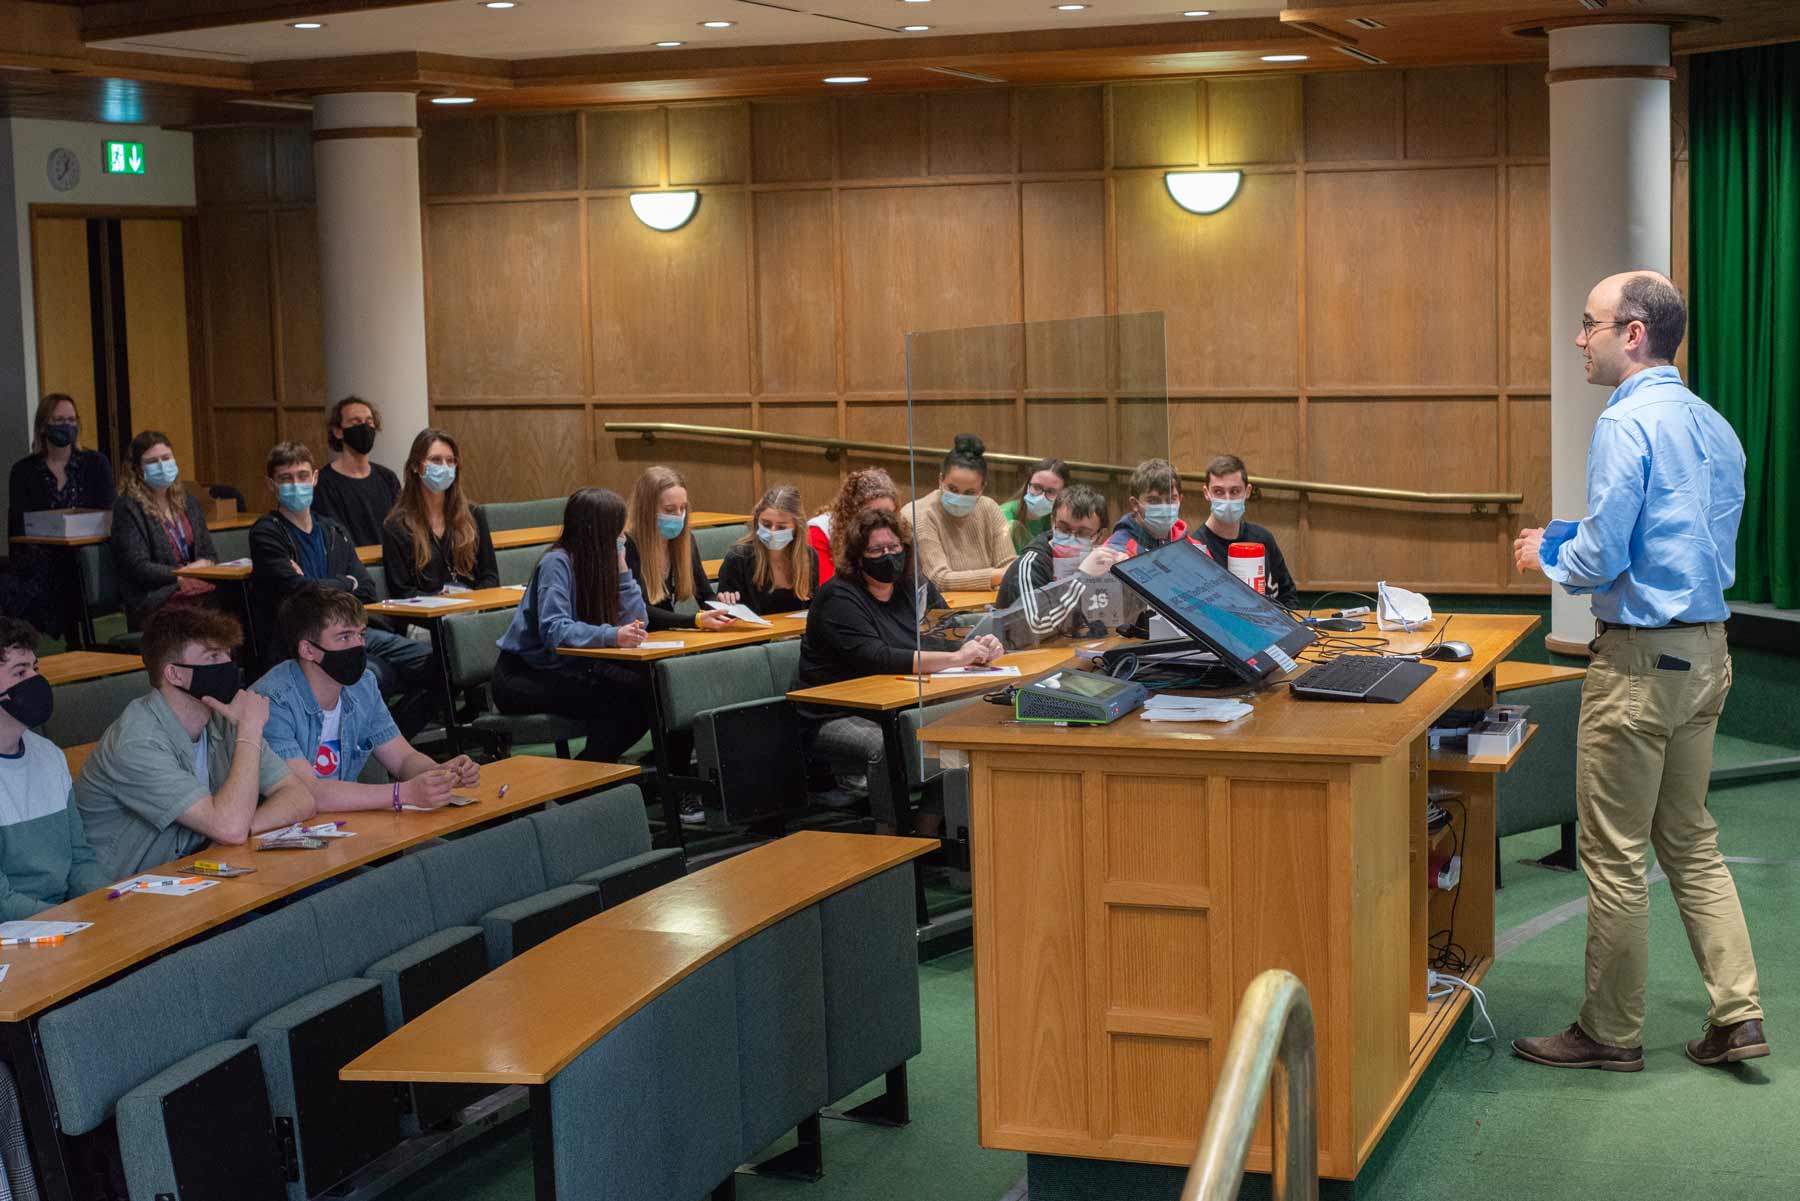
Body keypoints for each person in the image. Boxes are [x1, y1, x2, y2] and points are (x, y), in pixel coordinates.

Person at [1510, 270, 1765, 1073]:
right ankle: (1739, 1011)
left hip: (1640, 665)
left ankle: (1609, 1031)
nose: (1577, 340)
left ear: (1632, 335)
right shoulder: (1715, 426)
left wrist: (1548, 553)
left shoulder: (1624, 426)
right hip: (1707, 653)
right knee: (1690, 839)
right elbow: (1677, 536)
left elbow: (1605, 555)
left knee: (1615, 852)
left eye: (1587, 324)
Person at [795, 507, 1003, 835]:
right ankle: (889, 839)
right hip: (833, 714)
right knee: (883, 744)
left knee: (953, 731)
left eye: (894, 548)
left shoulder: (911, 585)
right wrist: (956, 658)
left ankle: (926, 828)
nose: (887, 556)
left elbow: (947, 632)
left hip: (900, 701)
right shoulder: (838, 596)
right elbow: (878, 657)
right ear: (858, 557)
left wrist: (982, 645)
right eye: (876, 550)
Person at [74, 606, 314, 878]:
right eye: (213, 656)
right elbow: (229, 827)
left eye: (227, 654)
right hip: (128, 894)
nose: (227, 665)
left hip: (199, 874)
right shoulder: (137, 742)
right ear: (174, 674)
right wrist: (250, 731)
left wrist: (249, 826)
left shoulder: (222, 718)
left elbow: (300, 797)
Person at [254, 586, 479, 811]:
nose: (359, 645)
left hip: (345, 825)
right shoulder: (271, 700)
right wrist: (403, 793)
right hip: (280, 834)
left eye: (360, 634)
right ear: (308, 650)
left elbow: (403, 759)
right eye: (344, 637)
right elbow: (308, 793)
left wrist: (440, 774)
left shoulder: (363, 685)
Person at [248, 441, 434, 709]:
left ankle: (393, 737)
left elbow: (367, 590)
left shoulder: (333, 530)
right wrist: (346, 583)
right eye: (285, 479)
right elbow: (298, 593)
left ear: (314, 478)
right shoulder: (267, 532)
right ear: (271, 485)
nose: (295, 485)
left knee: (437, 663)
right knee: (375, 676)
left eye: (302, 476)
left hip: (356, 633)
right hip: (308, 644)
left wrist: (333, 585)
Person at [494, 487, 651, 764]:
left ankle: (589, 774)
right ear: (595, 529)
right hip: (524, 676)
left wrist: (623, 569)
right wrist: (612, 635)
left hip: (572, 668)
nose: (623, 536)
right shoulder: (557, 562)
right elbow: (555, 631)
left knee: (651, 690)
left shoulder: (604, 563)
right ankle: (584, 781)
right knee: (620, 701)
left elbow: (637, 623)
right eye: (617, 528)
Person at [0, 618, 110, 916]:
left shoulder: (49, 755)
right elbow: (3, 904)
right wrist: (71, 921)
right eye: (20, 672)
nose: (35, 680)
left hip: (61, 920)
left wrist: (108, 901)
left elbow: (79, 860)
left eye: (36, 668)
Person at [6, 394, 116, 638]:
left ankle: (80, 643)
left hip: (86, 556)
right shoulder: (24, 470)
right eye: (58, 419)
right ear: (44, 425)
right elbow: (18, 525)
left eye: (71, 419)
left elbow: (109, 514)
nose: (66, 425)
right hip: (40, 558)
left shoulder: (95, 463)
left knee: (72, 577)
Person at [110, 430, 220, 630]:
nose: (161, 465)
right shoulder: (128, 507)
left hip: (197, 588)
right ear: (137, 469)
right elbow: (137, 566)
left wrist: (204, 566)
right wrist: (180, 576)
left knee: (238, 601)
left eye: (166, 458)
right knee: (213, 616)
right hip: (155, 598)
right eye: (152, 461)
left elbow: (210, 554)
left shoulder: (189, 502)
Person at [380, 428, 498, 598]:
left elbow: (490, 577)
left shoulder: (473, 514)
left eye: (450, 461)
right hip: (427, 618)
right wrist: (438, 601)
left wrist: (472, 603)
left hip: (472, 613)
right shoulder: (397, 526)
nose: (444, 467)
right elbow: (402, 591)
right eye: (436, 460)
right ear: (415, 466)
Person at [995, 484, 1125, 635]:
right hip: (1027, 652)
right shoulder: (1030, 564)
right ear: (1052, 521)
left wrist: (1124, 577)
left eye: (1082, 532)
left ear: (1100, 536)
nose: (1071, 537)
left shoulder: (1099, 561)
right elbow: (1035, 627)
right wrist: (1082, 578)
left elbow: (1113, 616)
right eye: (1063, 528)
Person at [622, 465, 737, 631]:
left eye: (683, 508)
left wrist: (722, 610)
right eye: (670, 509)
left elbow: (705, 594)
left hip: (670, 634)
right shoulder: (627, 546)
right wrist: (694, 620)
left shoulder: (685, 541)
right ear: (646, 510)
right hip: (639, 635)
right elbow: (641, 609)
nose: (678, 516)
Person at [908, 434, 1017, 593]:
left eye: (969, 492)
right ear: (940, 480)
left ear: (982, 489)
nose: (959, 497)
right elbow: (939, 580)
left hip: (989, 606)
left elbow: (1009, 565)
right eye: (952, 489)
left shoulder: (989, 507)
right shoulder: (919, 514)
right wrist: (996, 576)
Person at [1193, 454, 1298, 606]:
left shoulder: (1263, 538)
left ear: (1247, 491)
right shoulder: (1197, 547)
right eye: (1218, 491)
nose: (1227, 499)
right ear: (1206, 493)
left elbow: (1288, 595)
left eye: (1235, 491)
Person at [312, 396, 401, 549]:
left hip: (389, 563)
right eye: (356, 422)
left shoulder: (388, 478)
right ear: (338, 432)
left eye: (369, 421)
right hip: (351, 568)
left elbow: (401, 525)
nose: (364, 427)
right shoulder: (323, 483)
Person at [716, 484, 816, 615]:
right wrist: (725, 602)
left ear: (797, 528)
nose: (772, 532)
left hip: (796, 634)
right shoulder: (738, 558)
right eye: (766, 524)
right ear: (757, 520)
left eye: (781, 527)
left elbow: (813, 610)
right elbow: (727, 613)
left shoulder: (808, 556)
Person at [807, 467, 901, 585]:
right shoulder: (819, 532)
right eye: (872, 516)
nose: (881, 524)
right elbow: (826, 590)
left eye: (888, 515)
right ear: (852, 513)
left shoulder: (899, 536)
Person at [1105, 457, 1210, 558]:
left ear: (1180, 499)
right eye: (1154, 501)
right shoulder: (1116, 550)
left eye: (1171, 499)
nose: (1164, 507)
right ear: (1135, 504)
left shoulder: (1195, 548)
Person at [999, 458, 1070, 553]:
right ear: (1027, 485)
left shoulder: (1054, 518)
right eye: (1036, 487)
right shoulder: (1004, 515)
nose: (1041, 496)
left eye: (1051, 491)